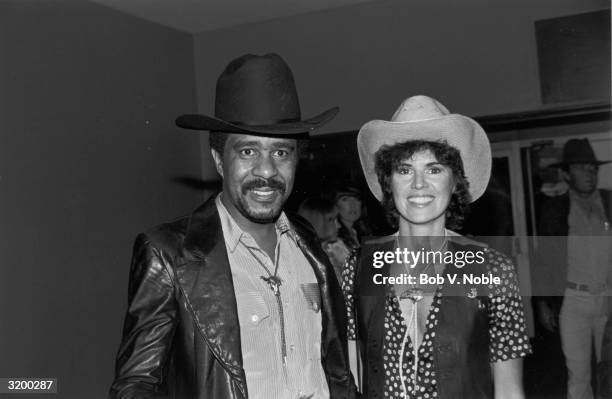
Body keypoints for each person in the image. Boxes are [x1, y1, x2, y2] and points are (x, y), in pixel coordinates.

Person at [109, 53, 356, 399]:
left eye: (281, 153)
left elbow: (337, 373)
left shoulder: (311, 245)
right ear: (218, 160)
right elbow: (135, 386)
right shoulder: (170, 254)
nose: (267, 171)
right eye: (248, 152)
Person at [343, 95, 531, 399]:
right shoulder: (359, 266)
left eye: (434, 169)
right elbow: (351, 372)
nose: (419, 184)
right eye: (404, 170)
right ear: (388, 182)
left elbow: (509, 389)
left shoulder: (493, 269)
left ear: (455, 181)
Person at [533, 138, 612, 399]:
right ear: (566, 174)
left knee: (610, 372)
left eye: (592, 168)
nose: (590, 172)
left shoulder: (610, 204)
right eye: (581, 168)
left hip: (608, 300)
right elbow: (544, 258)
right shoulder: (555, 210)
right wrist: (543, 301)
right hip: (573, 302)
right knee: (578, 376)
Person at [298, 196, 351, 282]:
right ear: (316, 222)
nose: (339, 226)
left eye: (337, 219)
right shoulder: (302, 255)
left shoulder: (338, 247)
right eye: (331, 220)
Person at [334, 184, 369, 250]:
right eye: (345, 199)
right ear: (335, 204)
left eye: (357, 199)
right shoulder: (334, 238)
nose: (353, 205)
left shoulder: (358, 233)